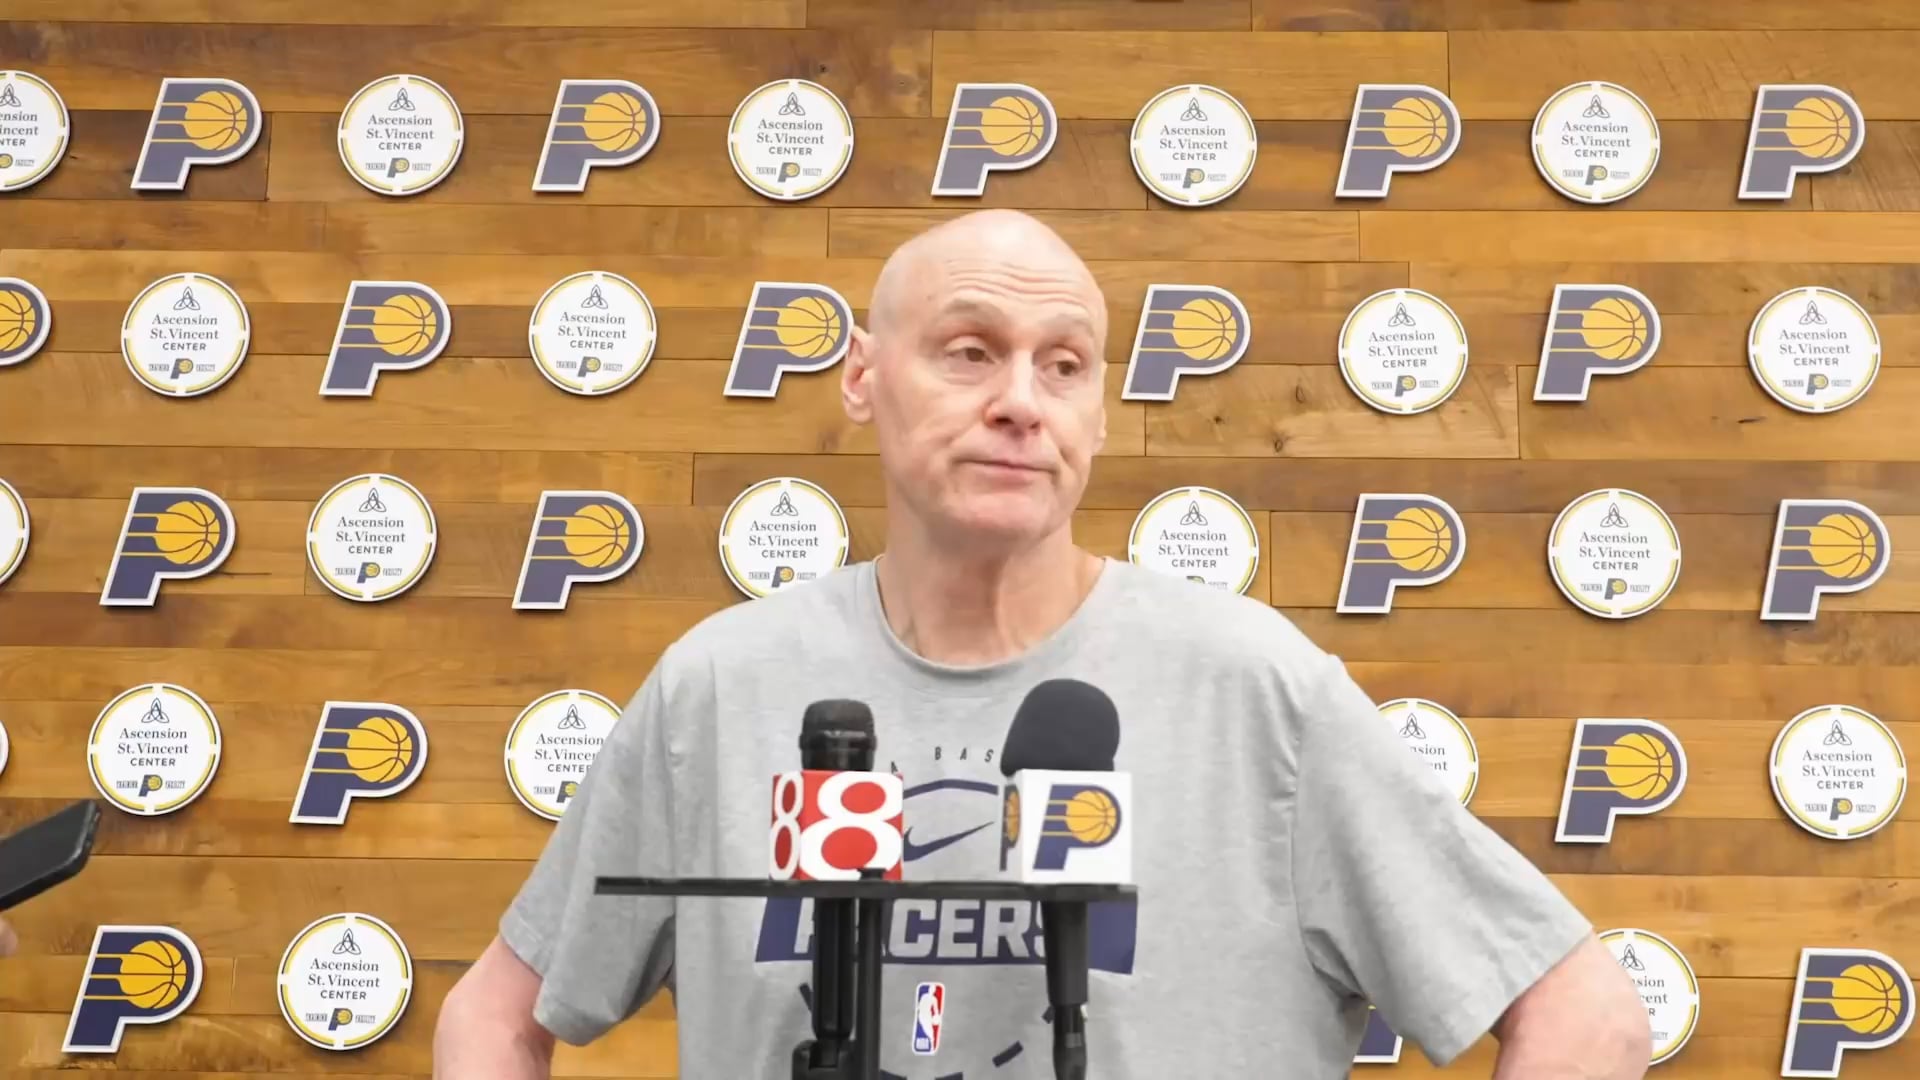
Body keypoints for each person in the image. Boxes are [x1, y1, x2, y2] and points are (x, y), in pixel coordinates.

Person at [434, 209, 1652, 1078]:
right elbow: (494, 1018)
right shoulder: (719, 688)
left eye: (1062, 366)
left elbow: (1585, 1014)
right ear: (863, 378)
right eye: (970, 351)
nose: (1020, 400)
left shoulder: (1254, 692)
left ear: (1099, 412)